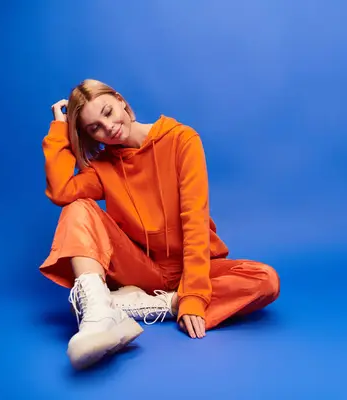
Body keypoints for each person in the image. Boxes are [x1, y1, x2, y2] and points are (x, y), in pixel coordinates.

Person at [40, 79, 280, 369]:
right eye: (95, 128)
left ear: (120, 100)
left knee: (265, 279)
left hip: (189, 267)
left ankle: (155, 304)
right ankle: (99, 314)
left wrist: (192, 296)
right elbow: (61, 191)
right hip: (140, 268)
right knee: (77, 207)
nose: (109, 127)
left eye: (107, 112)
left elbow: (194, 219)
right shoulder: (103, 166)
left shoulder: (182, 140)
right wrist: (59, 131)